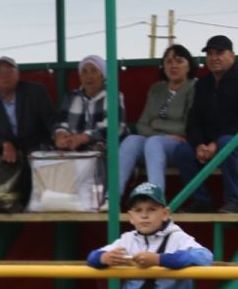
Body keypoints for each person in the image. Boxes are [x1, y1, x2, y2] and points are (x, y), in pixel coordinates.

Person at [0, 56, 58, 211]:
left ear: (18, 74)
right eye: (0, 73)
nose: (5, 76)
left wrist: (58, 136)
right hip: (4, 142)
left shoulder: (35, 91)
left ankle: (29, 202)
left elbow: (51, 119)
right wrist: (4, 144)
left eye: (9, 71)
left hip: (33, 140)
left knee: (33, 153)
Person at [120, 44, 198, 199]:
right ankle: (112, 197)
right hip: (158, 142)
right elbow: (141, 125)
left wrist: (156, 124)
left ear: (189, 65)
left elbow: (187, 126)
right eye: (168, 61)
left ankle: (156, 198)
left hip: (181, 144)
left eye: (179, 61)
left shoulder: (195, 86)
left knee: (154, 142)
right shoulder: (156, 88)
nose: (173, 65)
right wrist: (165, 135)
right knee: (131, 140)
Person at [186, 35, 238, 211]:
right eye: (210, 53)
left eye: (219, 53)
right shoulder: (203, 84)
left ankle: (235, 200)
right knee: (182, 150)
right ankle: (202, 201)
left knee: (227, 143)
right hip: (209, 145)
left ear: (232, 55)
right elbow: (194, 119)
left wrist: (216, 144)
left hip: (231, 142)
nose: (214, 58)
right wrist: (199, 144)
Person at [52, 55, 126, 165]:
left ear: (102, 75)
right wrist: (60, 134)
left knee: (96, 154)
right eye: (84, 72)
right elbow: (61, 122)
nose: (88, 76)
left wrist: (85, 137)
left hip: (101, 147)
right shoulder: (71, 96)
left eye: (94, 71)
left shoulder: (113, 95)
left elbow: (115, 127)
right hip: (73, 146)